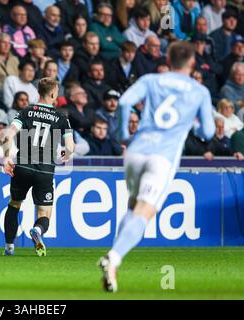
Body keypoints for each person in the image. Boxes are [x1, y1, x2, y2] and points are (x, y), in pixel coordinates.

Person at [97, 41, 215, 292]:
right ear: (193, 63)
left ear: (168, 59)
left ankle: (114, 266)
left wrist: (122, 135)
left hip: (136, 151)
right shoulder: (199, 91)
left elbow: (125, 101)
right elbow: (208, 131)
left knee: (132, 207)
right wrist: (191, 124)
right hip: (162, 158)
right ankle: (114, 257)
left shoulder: (151, 80)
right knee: (144, 213)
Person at [1, 77, 75, 256]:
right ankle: (38, 230)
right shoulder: (61, 118)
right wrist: (65, 154)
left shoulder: (25, 111)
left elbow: (7, 135)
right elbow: (70, 147)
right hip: (45, 169)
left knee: (14, 204)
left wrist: (6, 157)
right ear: (52, 93)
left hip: (23, 166)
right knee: (44, 212)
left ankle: (9, 246)